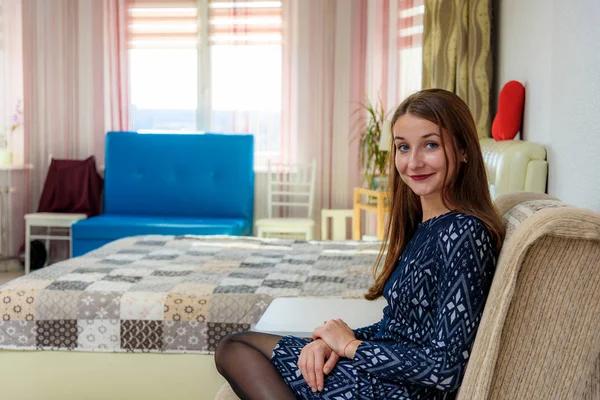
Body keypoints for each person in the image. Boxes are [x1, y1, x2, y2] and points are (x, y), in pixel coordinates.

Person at [214, 88, 506, 400]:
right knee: (239, 344)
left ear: (463, 151)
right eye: (403, 148)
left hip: (400, 390)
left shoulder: (464, 232)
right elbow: (400, 328)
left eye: (430, 145)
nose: (413, 162)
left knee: (236, 348)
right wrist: (333, 341)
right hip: (385, 371)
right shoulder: (426, 226)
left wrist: (351, 346)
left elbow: (444, 369)